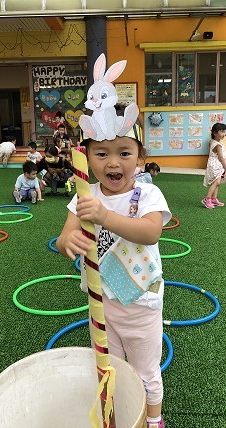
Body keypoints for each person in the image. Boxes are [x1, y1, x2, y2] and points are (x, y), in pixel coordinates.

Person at [55, 132, 171, 427]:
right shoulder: (85, 194)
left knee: (145, 371)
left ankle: (154, 419)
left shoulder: (148, 194)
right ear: (86, 157)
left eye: (124, 153)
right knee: (110, 367)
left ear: (140, 157)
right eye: (102, 153)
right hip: (101, 305)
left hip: (141, 303)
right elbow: (63, 237)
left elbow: (151, 232)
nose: (113, 163)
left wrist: (105, 216)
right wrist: (67, 241)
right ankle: (118, 415)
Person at [202, 122, 226, 209]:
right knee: (216, 182)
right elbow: (221, 157)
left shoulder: (213, 141)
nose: (224, 134)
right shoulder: (217, 145)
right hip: (216, 165)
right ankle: (207, 199)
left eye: (224, 132)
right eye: (221, 132)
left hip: (215, 164)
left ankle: (214, 199)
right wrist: (225, 167)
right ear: (215, 133)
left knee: (217, 182)